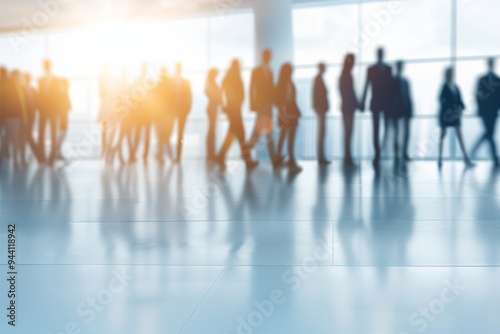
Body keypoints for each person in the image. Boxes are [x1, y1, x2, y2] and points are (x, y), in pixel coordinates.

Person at [216, 60, 258, 170]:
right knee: (240, 134)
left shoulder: (230, 76)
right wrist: (224, 105)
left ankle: (221, 156)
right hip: (233, 110)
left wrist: (224, 106)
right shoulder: (232, 77)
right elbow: (222, 92)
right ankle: (247, 160)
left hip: (234, 109)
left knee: (234, 134)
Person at [246, 49, 282, 168]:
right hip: (261, 107)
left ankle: (274, 158)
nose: (269, 57)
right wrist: (252, 105)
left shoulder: (270, 72)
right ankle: (273, 158)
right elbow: (251, 88)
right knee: (259, 133)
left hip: (268, 107)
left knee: (265, 133)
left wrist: (276, 104)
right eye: (267, 55)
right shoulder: (256, 71)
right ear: (263, 57)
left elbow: (271, 90)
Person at [361, 48, 393, 166]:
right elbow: (366, 85)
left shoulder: (389, 69)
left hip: (386, 104)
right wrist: (363, 102)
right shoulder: (371, 69)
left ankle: (382, 151)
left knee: (386, 129)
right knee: (375, 129)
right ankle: (377, 153)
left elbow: (391, 88)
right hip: (375, 103)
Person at [437, 67, 475, 168]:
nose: (450, 75)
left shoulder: (455, 87)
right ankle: (440, 158)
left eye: (451, 73)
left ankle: (466, 158)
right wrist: (453, 109)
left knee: (459, 137)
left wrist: (462, 107)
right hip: (446, 116)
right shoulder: (444, 87)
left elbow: (460, 100)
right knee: (442, 136)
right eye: (449, 73)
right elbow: (441, 100)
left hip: (455, 115)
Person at [471, 58, 500, 167]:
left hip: (494, 112)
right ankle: (495, 159)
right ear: (488, 64)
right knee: (489, 133)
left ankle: (474, 150)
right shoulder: (482, 79)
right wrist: (479, 108)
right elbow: (478, 95)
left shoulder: (498, 79)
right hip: (484, 112)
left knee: (489, 133)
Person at [275, 63, 302, 172]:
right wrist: (281, 108)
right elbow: (276, 100)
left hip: (292, 111)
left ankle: (291, 159)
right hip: (285, 112)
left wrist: (297, 111)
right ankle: (278, 157)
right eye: (290, 70)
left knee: (291, 136)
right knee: (283, 135)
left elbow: (293, 100)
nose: (292, 72)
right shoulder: (281, 84)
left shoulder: (290, 82)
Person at [339, 53, 361, 166]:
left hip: (346, 107)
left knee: (347, 133)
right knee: (348, 133)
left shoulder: (343, 74)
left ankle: (347, 157)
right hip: (348, 108)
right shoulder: (347, 75)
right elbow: (351, 93)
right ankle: (347, 158)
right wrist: (358, 105)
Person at [37, 59, 60, 164]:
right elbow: (39, 96)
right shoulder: (40, 80)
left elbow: (58, 97)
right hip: (42, 110)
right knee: (41, 133)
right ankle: (41, 157)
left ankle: (52, 158)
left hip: (53, 110)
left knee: (53, 133)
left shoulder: (56, 80)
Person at [392, 61, 413, 161]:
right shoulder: (393, 80)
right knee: (396, 133)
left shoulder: (405, 81)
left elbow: (409, 97)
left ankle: (404, 153)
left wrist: (410, 110)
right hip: (396, 110)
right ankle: (397, 154)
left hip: (406, 110)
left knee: (406, 132)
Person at [153, 67, 175, 164]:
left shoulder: (158, 86)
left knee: (161, 137)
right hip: (165, 115)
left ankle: (162, 155)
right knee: (165, 137)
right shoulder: (169, 87)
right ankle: (166, 155)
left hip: (160, 115)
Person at [172, 63, 192, 163]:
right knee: (168, 133)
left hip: (182, 111)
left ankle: (178, 156)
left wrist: (188, 109)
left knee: (180, 134)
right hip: (171, 111)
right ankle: (169, 155)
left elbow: (190, 96)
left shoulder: (186, 82)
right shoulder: (170, 81)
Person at [97, 64, 116, 158]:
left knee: (106, 128)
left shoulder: (104, 78)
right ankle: (106, 148)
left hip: (108, 105)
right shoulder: (105, 78)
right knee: (105, 128)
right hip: (107, 105)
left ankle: (106, 148)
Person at [312, 62, 330, 164]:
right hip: (321, 109)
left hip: (321, 109)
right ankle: (321, 157)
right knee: (321, 133)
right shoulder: (318, 79)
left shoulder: (319, 79)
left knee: (322, 133)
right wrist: (317, 107)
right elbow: (315, 94)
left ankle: (321, 157)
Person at [204, 68, 221, 162]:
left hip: (212, 108)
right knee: (212, 131)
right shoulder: (211, 84)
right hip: (212, 109)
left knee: (211, 130)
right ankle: (211, 153)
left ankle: (211, 153)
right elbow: (214, 95)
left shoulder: (210, 83)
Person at [55, 78, 71, 160]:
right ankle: (57, 152)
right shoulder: (63, 93)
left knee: (62, 134)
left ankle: (58, 152)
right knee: (62, 134)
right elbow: (68, 106)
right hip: (62, 117)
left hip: (63, 117)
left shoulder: (63, 93)